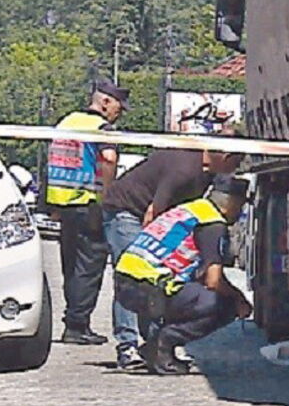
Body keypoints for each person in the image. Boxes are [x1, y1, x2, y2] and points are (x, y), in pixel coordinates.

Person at [101, 147, 242, 369]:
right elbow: (213, 280)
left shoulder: (194, 206)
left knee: (182, 289)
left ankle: (152, 347)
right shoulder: (207, 214)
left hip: (128, 280)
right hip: (130, 225)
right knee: (220, 303)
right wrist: (239, 298)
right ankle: (141, 346)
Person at [46, 78, 129, 345]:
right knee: (89, 265)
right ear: (105, 101)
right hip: (88, 203)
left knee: (70, 266)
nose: (119, 112)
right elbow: (108, 158)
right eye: (118, 106)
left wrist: (51, 206)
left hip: (63, 202)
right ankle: (77, 326)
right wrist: (108, 194)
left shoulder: (66, 122)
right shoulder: (102, 128)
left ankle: (73, 321)